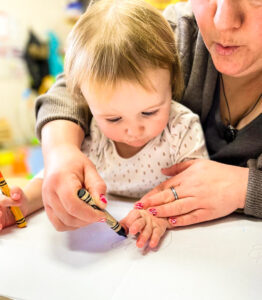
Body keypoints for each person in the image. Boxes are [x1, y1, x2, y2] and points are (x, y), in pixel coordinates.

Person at [35, 0, 262, 230]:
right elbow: (73, 84)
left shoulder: (182, 126)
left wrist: (247, 188)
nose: (222, 21)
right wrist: (61, 151)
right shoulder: (176, 32)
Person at [0, 0, 208, 249]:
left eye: (149, 112)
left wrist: (160, 215)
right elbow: (55, 181)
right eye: (114, 118)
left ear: (172, 84)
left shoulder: (181, 129)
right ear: (84, 101)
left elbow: (197, 189)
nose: (133, 130)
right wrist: (21, 205)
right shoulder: (89, 130)